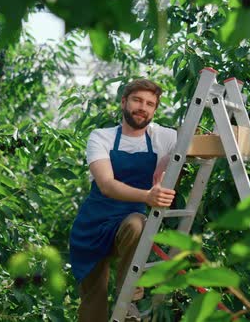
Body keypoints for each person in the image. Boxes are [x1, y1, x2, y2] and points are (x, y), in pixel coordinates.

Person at [70, 79, 177, 322]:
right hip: (93, 226)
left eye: (150, 104)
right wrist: (147, 196)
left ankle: (126, 298)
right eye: (137, 100)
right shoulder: (101, 137)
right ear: (123, 102)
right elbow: (107, 185)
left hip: (128, 224)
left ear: (155, 110)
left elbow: (195, 141)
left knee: (137, 223)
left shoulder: (162, 137)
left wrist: (167, 161)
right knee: (92, 305)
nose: (143, 107)